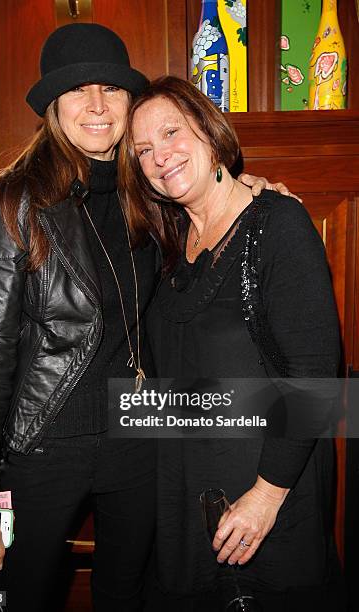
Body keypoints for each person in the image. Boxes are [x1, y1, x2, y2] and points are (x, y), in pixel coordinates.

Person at [0, 24, 293, 612]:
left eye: (112, 89)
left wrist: (250, 191)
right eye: (78, 90)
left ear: (131, 104)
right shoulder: (13, 201)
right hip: (43, 442)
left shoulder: (151, 195)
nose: (98, 105)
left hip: (139, 429)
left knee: (126, 593)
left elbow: (212, 216)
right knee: (7, 597)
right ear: (54, 107)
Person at [120, 75, 345, 611]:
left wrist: (266, 498)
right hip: (185, 503)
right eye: (144, 150)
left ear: (210, 132)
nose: (160, 156)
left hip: (264, 502)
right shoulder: (167, 242)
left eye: (172, 132)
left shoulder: (278, 224)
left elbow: (314, 375)